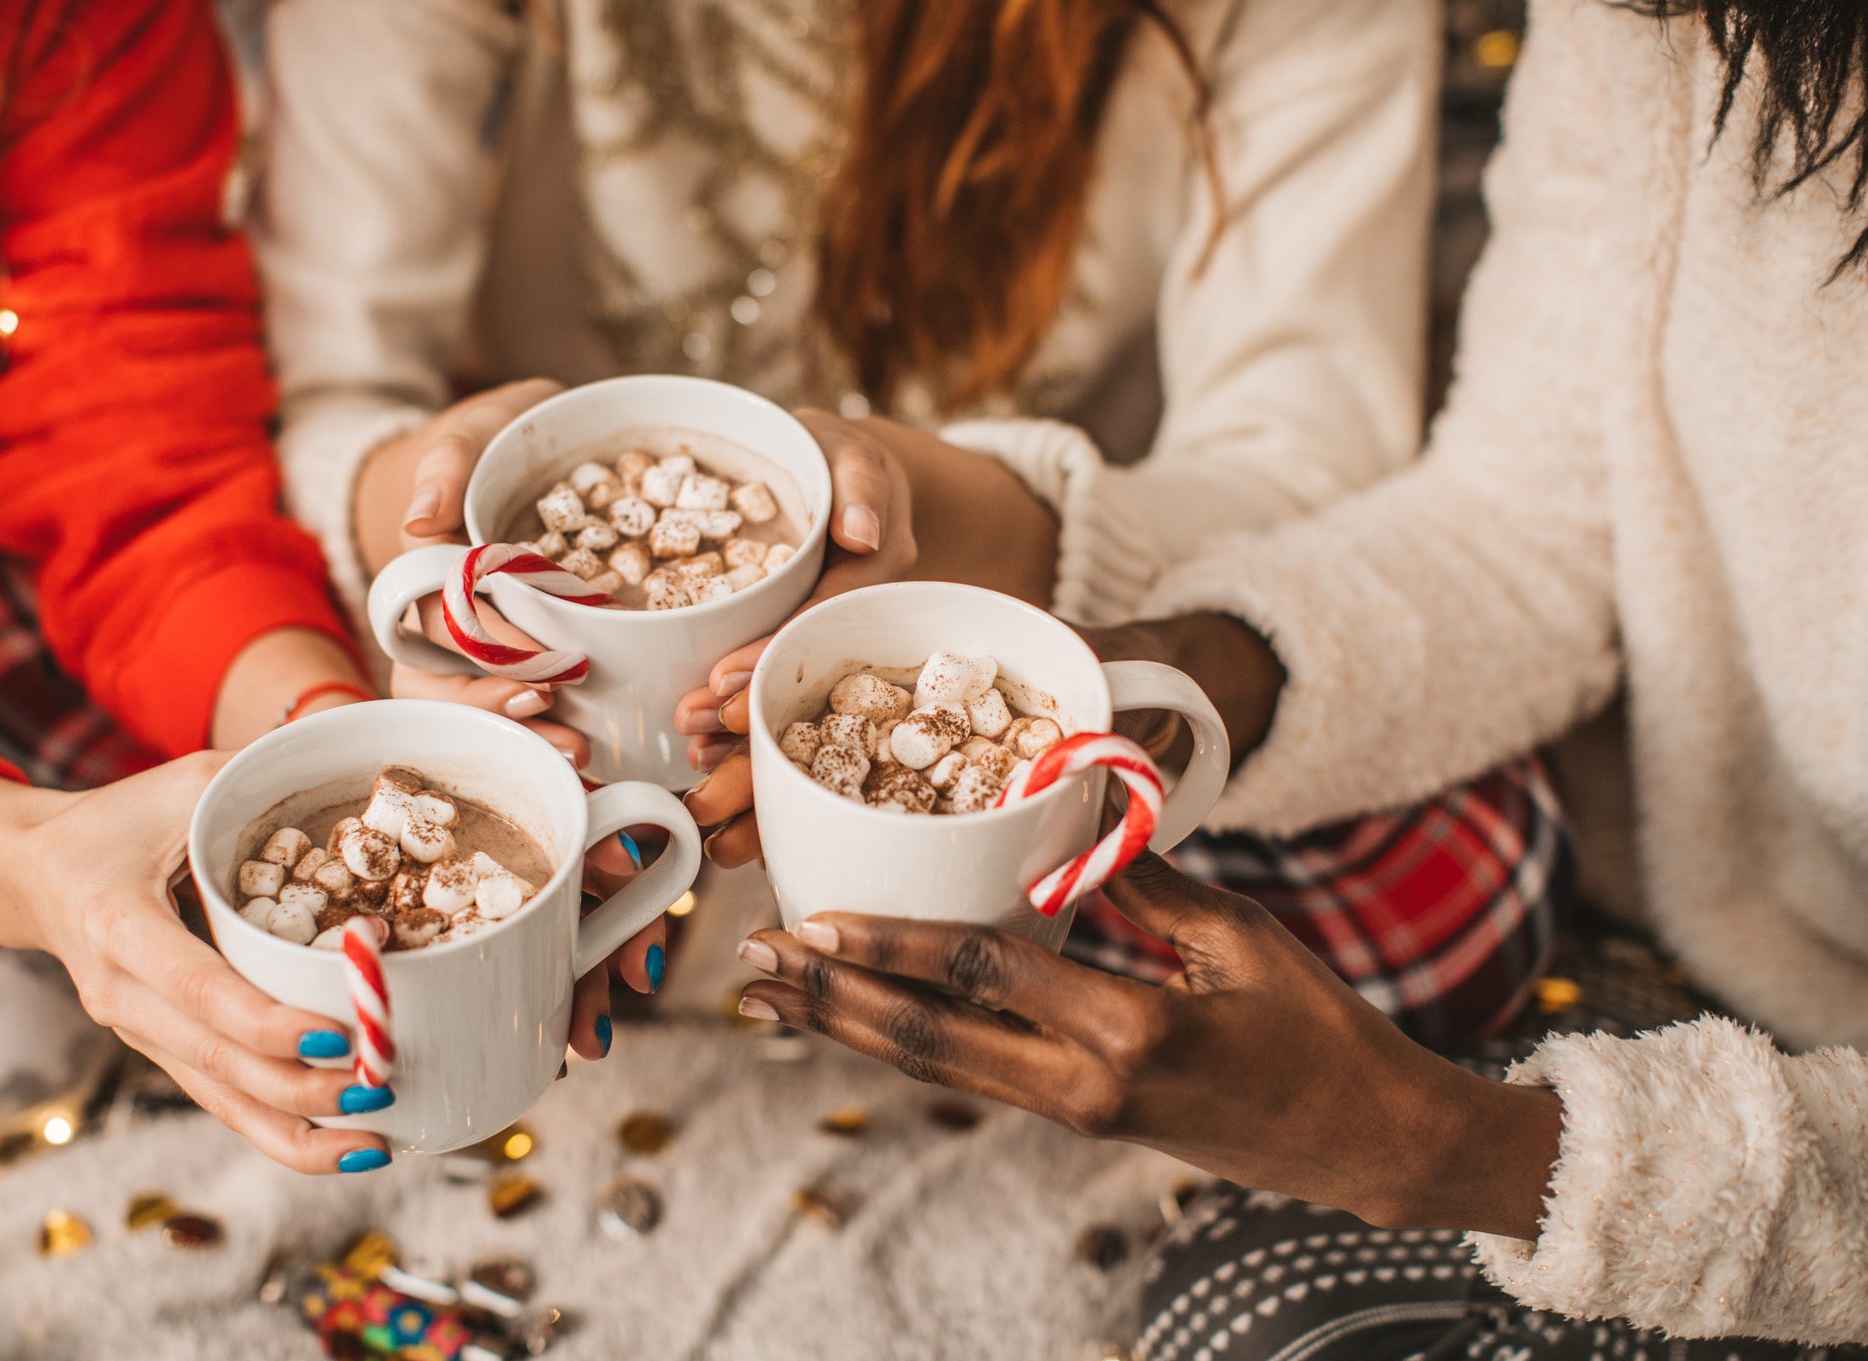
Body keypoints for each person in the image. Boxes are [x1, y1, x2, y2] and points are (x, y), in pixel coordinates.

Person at [721, 0, 1868, 1361]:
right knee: (1249, 1303)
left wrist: (1451, 1153)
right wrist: (1177, 675)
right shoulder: (1670, 24)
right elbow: (1522, 526)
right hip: (1721, 942)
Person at [260, 0, 1564, 1048]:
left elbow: (1301, 474)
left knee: (1434, 863)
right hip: (552, 681)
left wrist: (937, 508)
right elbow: (324, 390)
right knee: (228, 715)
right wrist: (425, 522)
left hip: (1026, 633)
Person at [0, 2, 661, 1361]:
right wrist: (20, 865)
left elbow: (138, 455)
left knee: (165, 892)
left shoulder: (28, 28)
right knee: (3, 1028)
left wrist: (322, 736)